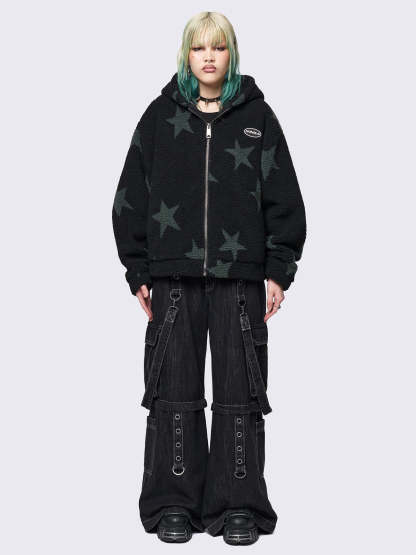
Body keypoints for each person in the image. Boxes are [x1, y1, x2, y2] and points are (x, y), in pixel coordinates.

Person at [112, 11, 307, 546]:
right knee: (173, 390)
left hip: (239, 279)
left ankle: (238, 504)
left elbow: (285, 198)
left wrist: (278, 270)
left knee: (240, 392)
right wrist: (138, 270)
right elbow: (129, 197)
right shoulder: (159, 117)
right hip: (172, 276)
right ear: (186, 55)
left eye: (218, 48)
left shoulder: (257, 117)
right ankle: (173, 502)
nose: (208, 57)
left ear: (231, 54)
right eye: (199, 48)